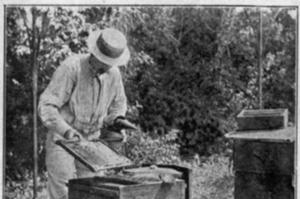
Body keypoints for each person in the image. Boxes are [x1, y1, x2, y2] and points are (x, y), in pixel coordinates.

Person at [38, 28, 130, 199]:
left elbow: (118, 105)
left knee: (93, 190)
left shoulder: (114, 74)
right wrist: (66, 131)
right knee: (63, 190)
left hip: (92, 141)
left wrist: (118, 121)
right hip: (63, 139)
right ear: (95, 54)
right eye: (103, 62)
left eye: (110, 63)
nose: (106, 67)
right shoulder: (72, 68)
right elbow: (46, 105)